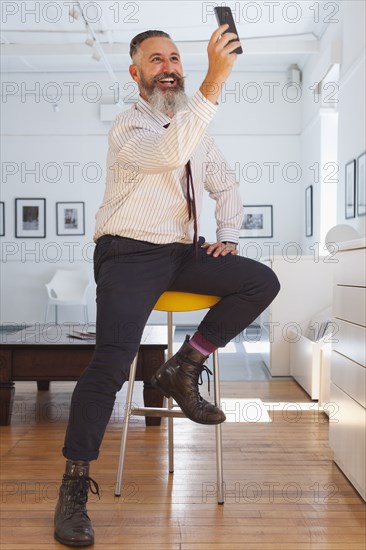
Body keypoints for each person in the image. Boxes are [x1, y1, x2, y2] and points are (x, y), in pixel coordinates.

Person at [54, 24, 280, 547]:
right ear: (136, 74)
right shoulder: (128, 127)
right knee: (112, 364)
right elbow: (167, 154)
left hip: (181, 252)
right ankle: (71, 492)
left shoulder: (195, 125)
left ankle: (185, 366)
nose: (169, 66)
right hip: (129, 250)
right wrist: (215, 82)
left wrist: (227, 236)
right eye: (156, 60)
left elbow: (224, 180)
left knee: (259, 282)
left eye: (175, 57)